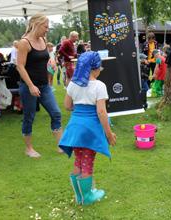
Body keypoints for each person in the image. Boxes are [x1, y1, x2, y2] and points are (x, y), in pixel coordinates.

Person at [59, 51, 116, 206]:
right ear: (95, 68)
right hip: (90, 130)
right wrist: (109, 134)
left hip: (75, 128)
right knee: (88, 161)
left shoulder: (72, 83)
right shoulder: (99, 85)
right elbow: (101, 112)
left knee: (79, 160)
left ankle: (80, 196)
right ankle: (87, 197)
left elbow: (67, 106)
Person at [16, 14, 62, 158]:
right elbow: (20, 66)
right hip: (29, 87)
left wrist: (52, 61)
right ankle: (29, 149)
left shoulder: (43, 39)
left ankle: (61, 145)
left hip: (44, 86)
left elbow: (47, 57)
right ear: (36, 25)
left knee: (56, 113)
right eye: (46, 26)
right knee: (29, 117)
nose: (47, 30)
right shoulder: (24, 43)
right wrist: (30, 85)